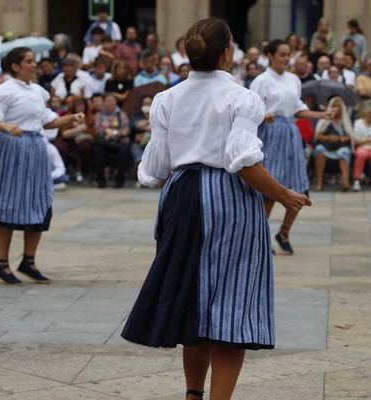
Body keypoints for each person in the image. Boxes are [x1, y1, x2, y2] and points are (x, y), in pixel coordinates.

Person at [121, 18, 311, 400]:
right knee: (232, 303)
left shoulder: (166, 98)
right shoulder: (242, 97)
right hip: (228, 198)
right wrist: (284, 194)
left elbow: (154, 168)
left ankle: (193, 394)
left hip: (180, 194)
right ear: (227, 52)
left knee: (194, 297)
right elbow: (242, 161)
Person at [0, 47, 84, 285]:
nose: (34, 65)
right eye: (29, 61)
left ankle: (28, 260)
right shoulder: (4, 91)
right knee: (7, 203)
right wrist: (5, 126)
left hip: (35, 149)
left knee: (39, 201)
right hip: (11, 149)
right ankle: (2, 263)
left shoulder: (37, 91)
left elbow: (46, 121)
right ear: (15, 66)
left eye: (34, 61)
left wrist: (70, 118)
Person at [250, 39, 331, 255]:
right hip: (269, 132)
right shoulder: (261, 81)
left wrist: (322, 114)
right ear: (270, 55)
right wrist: (262, 116)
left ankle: (284, 232)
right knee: (269, 187)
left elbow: (298, 109)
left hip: (290, 132)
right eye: (282, 54)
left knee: (298, 186)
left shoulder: (294, 79)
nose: (287, 59)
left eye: (289, 55)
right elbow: (252, 109)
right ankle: (261, 237)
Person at [313, 96, 352, 192]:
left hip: (340, 147)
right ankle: (319, 182)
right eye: (334, 106)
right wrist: (329, 138)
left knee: (345, 152)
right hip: (327, 147)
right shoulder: (324, 121)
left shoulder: (345, 122)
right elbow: (318, 136)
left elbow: (350, 136)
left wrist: (341, 138)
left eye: (339, 106)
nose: (337, 109)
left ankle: (345, 183)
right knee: (319, 151)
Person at [93, 93, 131, 188]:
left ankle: (120, 180)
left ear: (115, 102)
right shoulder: (99, 115)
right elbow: (97, 129)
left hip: (120, 141)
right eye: (108, 101)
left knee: (124, 151)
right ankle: (101, 180)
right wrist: (105, 132)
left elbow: (126, 129)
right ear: (104, 103)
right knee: (97, 150)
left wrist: (114, 133)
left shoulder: (121, 114)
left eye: (112, 100)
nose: (110, 103)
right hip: (105, 141)